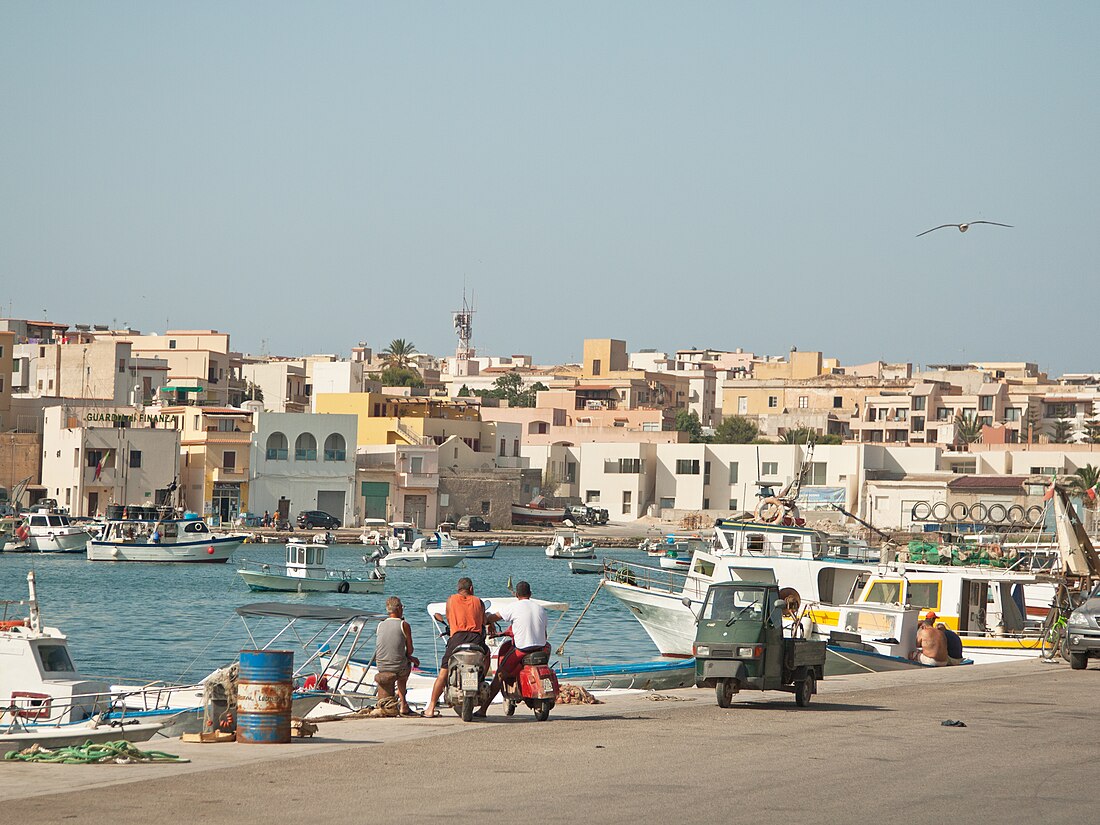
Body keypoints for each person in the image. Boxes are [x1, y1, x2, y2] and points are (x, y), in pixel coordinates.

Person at [475, 581, 548, 717]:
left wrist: (489, 621)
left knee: (500, 675)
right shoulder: (540, 608)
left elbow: (491, 617)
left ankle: (483, 709)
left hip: (522, 651)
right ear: (530, 594)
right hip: (541, 649)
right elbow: (545, 634)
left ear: (516, 594)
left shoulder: (513, 607)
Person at [424, 577, 487, 718]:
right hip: (475, 639)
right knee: (486, 656)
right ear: (471, 588)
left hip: (456, 639)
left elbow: (449, 618)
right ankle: (481, 678)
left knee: (443, 673)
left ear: (458, 589)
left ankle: (431, 707)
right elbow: (483, 621)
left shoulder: (451, 600)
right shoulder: (479, 602)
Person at [374, 596, 419, 717]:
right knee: (404, 670)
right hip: (397, 666)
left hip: (381, 665)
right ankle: (403, 703)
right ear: (398, 609)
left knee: (401, 662)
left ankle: (395, 701)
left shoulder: (380, 625)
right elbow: (410, 650)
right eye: (402, 607)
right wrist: (411, 657)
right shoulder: (404, 625)